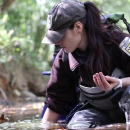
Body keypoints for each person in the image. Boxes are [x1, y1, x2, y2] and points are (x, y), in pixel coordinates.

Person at [41, 0, 130, 128]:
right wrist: (43, 127)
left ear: (78, 27)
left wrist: (121, 83)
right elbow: (57, 100)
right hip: (99, 111)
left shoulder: (118, 41)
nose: (57, 42)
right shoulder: (64, 58)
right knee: (77, 126)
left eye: (60, 35)